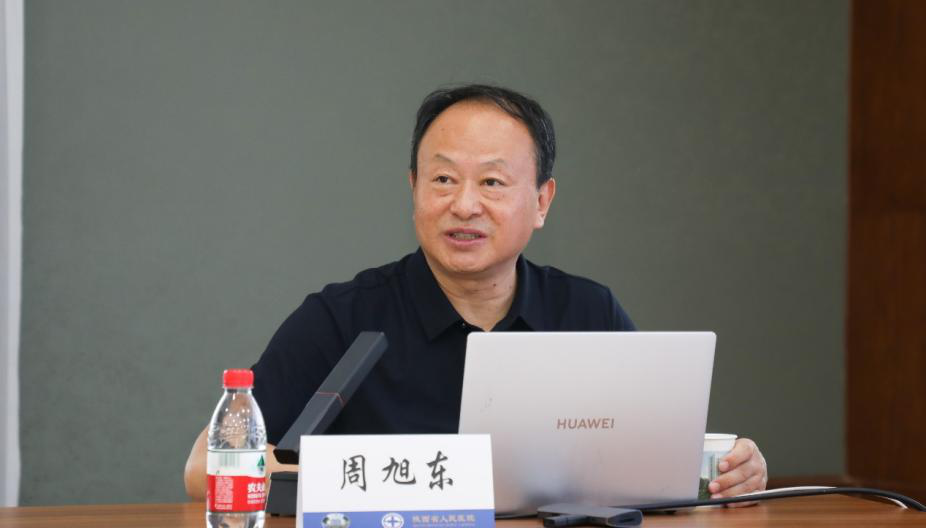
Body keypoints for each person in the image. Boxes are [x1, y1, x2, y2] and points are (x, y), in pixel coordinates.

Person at [184, 84, 767, 503]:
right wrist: (379, 481)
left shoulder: (588, 311)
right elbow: (202, 468)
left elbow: (656, 462)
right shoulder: (340, 318)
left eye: (492, 181)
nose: (464, 205)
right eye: (442, 179)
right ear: (414, 189)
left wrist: (734, 468)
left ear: (541, 201)